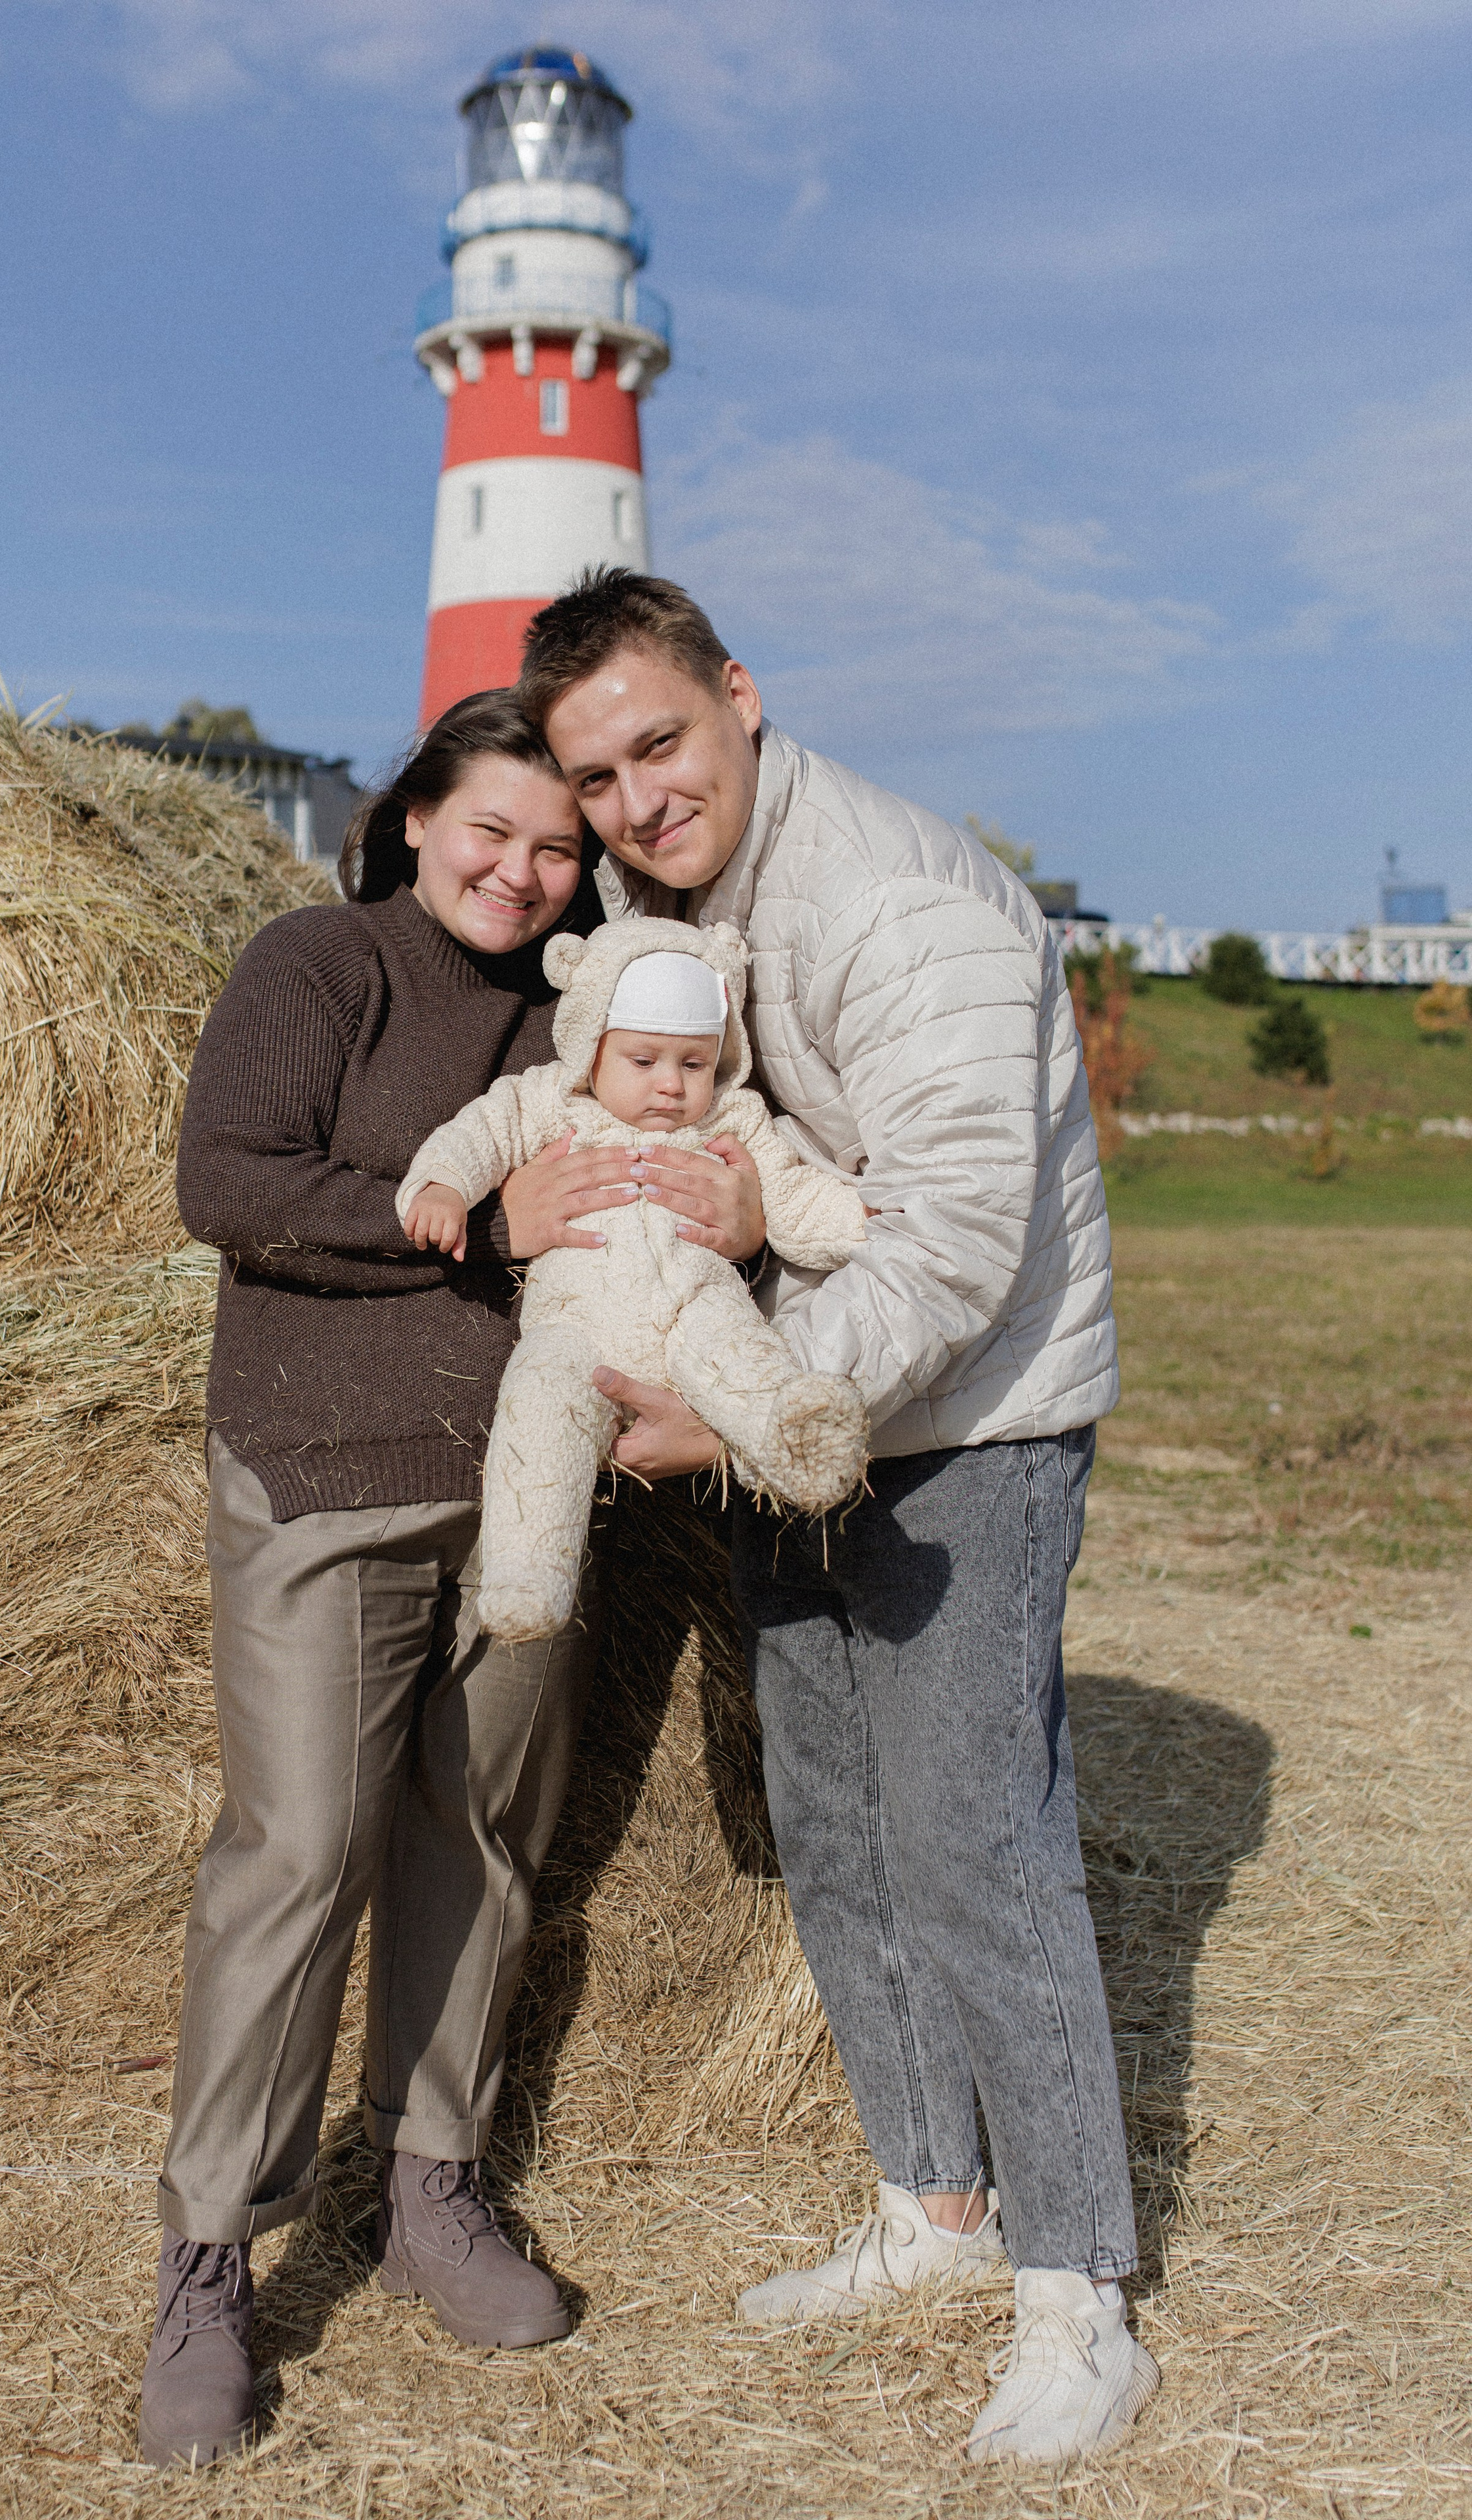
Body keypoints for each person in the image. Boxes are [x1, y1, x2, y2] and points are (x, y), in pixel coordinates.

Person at [516, 570, 1160, 2469]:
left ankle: (1079, 2296)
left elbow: (959, 1244)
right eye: (598, 775)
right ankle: (935, 2212)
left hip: (968, 1419)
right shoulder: (656, 916)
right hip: (793, 1416)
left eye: (660, 742)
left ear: (739, 694)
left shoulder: (893, 901)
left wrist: (739, 1406)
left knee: (975, 1838)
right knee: (835, 1820)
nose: (638, 798)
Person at [139, 688, 767, 2469]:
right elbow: (228, 1183)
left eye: (557, 844)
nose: (521, 867)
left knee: (480, 1839)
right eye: (490, 828)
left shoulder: (591, 1016)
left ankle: (432, 2192)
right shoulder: (319, 962)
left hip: (526, 1498)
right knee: (301, 1852)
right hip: (325, 1483)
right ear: (416, 816)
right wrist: (486, 1227)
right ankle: (208, 2264)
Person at [396, 917, 870, 1639]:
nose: (670, 1086)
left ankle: (798, 1445)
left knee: (744, 1356)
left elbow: (789, 1195)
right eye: (644, 1060)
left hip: (696, 1310)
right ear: (593, 1046)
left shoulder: (731, 1120)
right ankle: (528, 1576)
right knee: (539, 1402)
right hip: (576, 1327)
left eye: (693, 1063)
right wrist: (440, 1187)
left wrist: (869, 1221)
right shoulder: (553, 1103)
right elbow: (477, 1135)